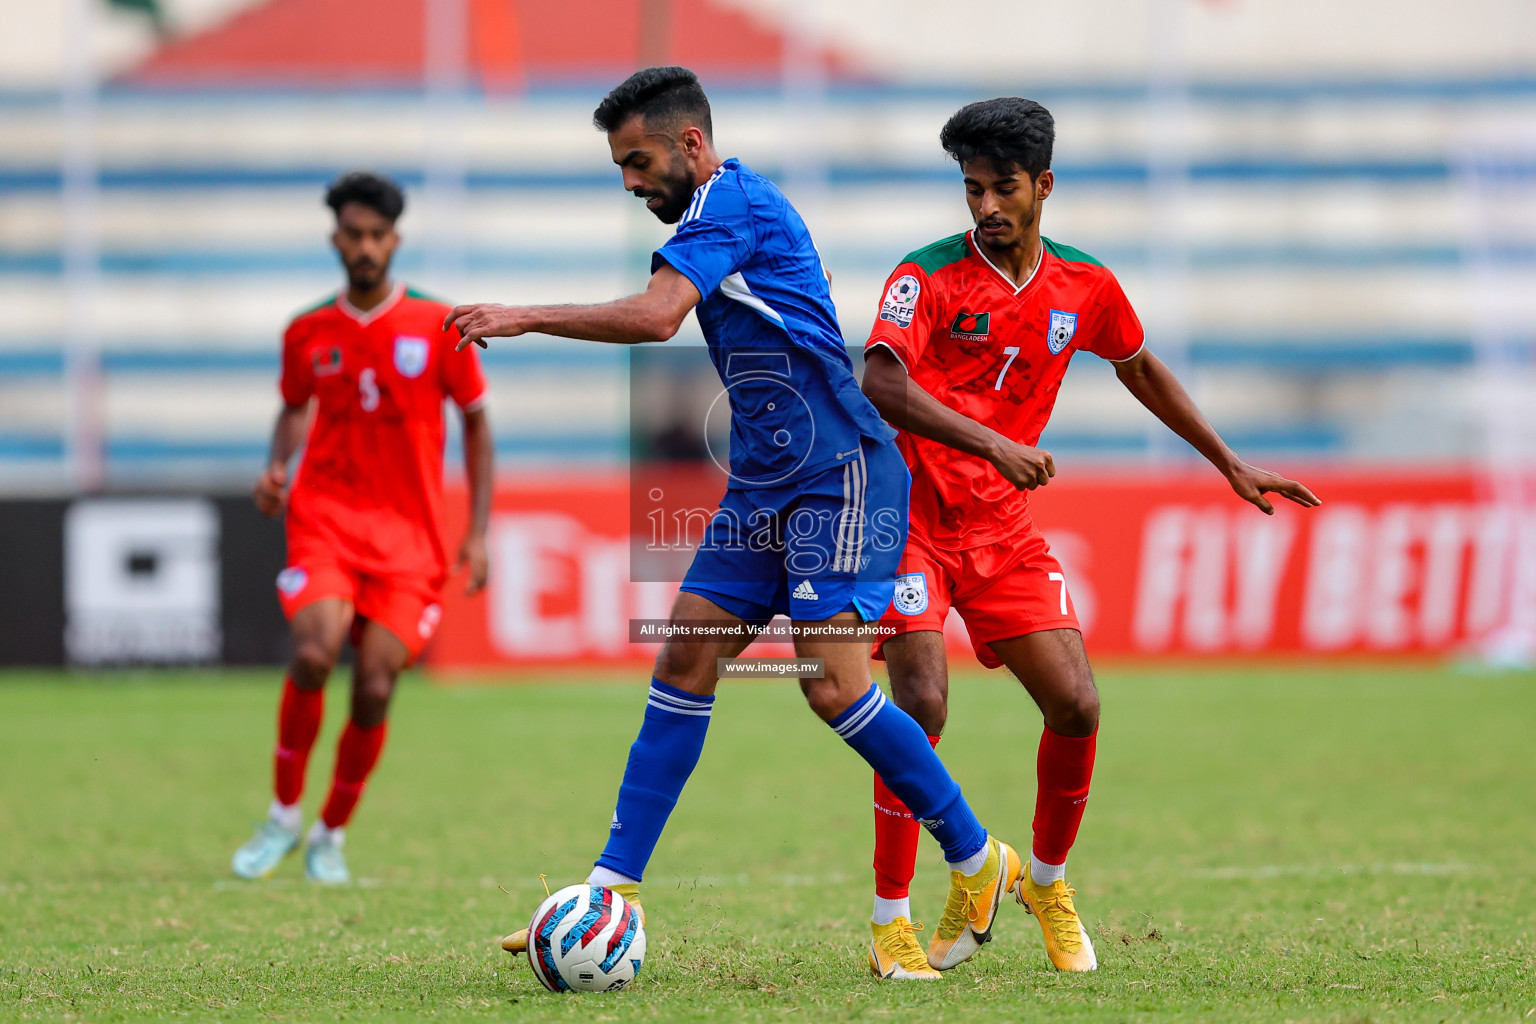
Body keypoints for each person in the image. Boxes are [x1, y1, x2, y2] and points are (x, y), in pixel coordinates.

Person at [448, 67, 1017, 979]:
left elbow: (654, 318)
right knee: (684, 655)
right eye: (620, 169)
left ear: (691, 145)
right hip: (763, 486)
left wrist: (525, 316)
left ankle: (978, 855)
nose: (631, 184)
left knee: (830, 687)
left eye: (637, 163)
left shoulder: (735, 205)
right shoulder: (709, 219)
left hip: (841, 477)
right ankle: (608, 893)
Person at [859, 97, 1321, 973]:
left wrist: (1227, 460)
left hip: (1000, 527)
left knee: (1076, 702)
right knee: (918, 706)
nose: (986, 208)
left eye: (1002, 189)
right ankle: (891, 924)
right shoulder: (924, 278)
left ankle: (1046, 883)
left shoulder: (1086, 286)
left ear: (1044, 186)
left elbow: (1138, 365)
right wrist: (996, 442)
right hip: (909, 519)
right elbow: (881, 382)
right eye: (971, 190)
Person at [230, 171, 494, 884]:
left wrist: (478, 531)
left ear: (395, 241)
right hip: (326, 520)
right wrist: (276, 466)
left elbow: (475, 423)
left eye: (379, 235)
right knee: (315, 653)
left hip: (412, 536)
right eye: (355, 234)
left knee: (375, 684)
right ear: (336, 239)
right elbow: (292, 407)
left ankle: (330, 832)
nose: (366, 246)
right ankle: (284, 815)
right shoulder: (307, 330)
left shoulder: (438, 325)